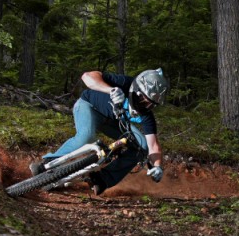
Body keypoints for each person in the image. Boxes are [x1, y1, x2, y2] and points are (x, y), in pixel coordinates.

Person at [30, 69, 169, 195]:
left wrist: (157, 166)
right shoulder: (124, 82)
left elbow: (153, 146)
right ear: (137, 89)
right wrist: (111, 90)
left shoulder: (146, 115)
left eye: (151, 104)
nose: (146, 106)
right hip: (89, 106)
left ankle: (102, 180)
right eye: (144, 100)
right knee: (87, 136)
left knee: (141, 146)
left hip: (112, 122)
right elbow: (87, 76)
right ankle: (48, 163)